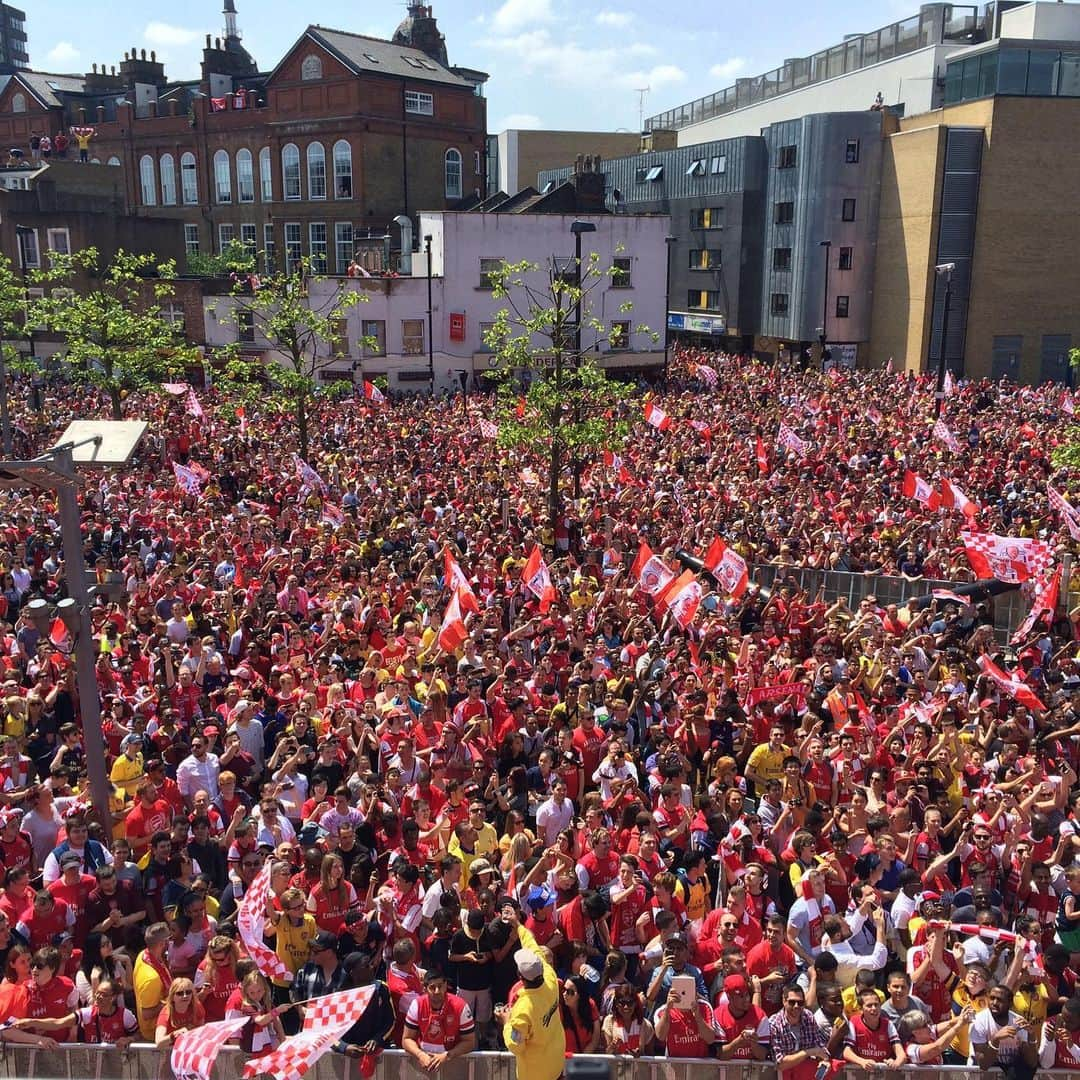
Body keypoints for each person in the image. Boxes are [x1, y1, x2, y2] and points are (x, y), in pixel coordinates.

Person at [494, 908, 563, 1080]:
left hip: (535, 1074)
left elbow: (515, 1045)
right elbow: (531, 943)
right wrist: (517, 924)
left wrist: (506, 1022)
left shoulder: (523, 1009)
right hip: (556, 1063)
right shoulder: (550, 976)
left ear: (519, 976)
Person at [401, 966, 476, 1071]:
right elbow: (406, 1039)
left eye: (440, 986)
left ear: (446, 985)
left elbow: (470, 1042)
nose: (437, 991)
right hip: (424, 1063)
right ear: (424, 988)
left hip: (453, 1061)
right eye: (432, 987)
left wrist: (448, 1055)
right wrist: (420, 1055)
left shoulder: (461, 1006)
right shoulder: (417, 1005)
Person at [970, 982, 1038, 1074]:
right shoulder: (979, 1021)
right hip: (982, 1076)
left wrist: (1031, 1036)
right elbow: (983, 1065)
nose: (994, 1003)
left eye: (999, 1000)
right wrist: (996, 1039)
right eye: (992, 998)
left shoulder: (1018, 1022)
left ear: (1010, 1004)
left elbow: (1032, 1063)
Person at [768, 983, 830, 1079]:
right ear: (784, 1001)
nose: (797, 1006)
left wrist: (824, 1060)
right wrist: (808, 1053)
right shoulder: (774, 1024)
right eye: (792, 1002)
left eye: (800, 1003)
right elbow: (780, 1063)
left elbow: (820, 1046)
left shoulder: (808, 1016)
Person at [842, 986, 906, 1069]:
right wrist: (862, 1061)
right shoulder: (853, 1022)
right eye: (869, 1005)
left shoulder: (888, 1024)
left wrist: (896, 1063)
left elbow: (901, 1054)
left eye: (876, 1005)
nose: (874, 1008)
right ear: (861, 1008)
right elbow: (846, 1052)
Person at [714, 973, 770, 1061]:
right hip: (725, 1070)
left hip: (752, 1071)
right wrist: (738, 1043)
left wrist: (754, 1044)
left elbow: (763, 1056)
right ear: (729, 997)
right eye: (741, 996)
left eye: (747, 994)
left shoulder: (760, 1015)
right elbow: (721, 1055)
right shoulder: (718, 1015)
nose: (746, 999)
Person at [133, 922, 172, 1040]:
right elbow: (147, 1013)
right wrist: (170, 1002)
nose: (171, 942)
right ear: (162, 943)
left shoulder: (143, 955)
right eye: (169, 939)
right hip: (155, 1034)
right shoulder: (152, 978)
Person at [154, 977, 205, 1048]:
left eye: (188, 992)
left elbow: (202, 1031)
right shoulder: (166, 1013)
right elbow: (159, 1042)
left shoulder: (197, 1006)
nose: (185, 996)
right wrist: (175, 1035)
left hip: (191, 1047)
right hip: (172, 1050)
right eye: (180, 993)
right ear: (172, 997)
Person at [559, 974, 600, 1053]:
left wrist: (581, 1058)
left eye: (570, 992)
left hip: (584, 1060)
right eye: (564, 990)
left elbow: (595, 1038)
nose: (564, 994)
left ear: (579, 995)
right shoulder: (560, 1009)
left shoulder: (590, 1005)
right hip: (564, 1059)